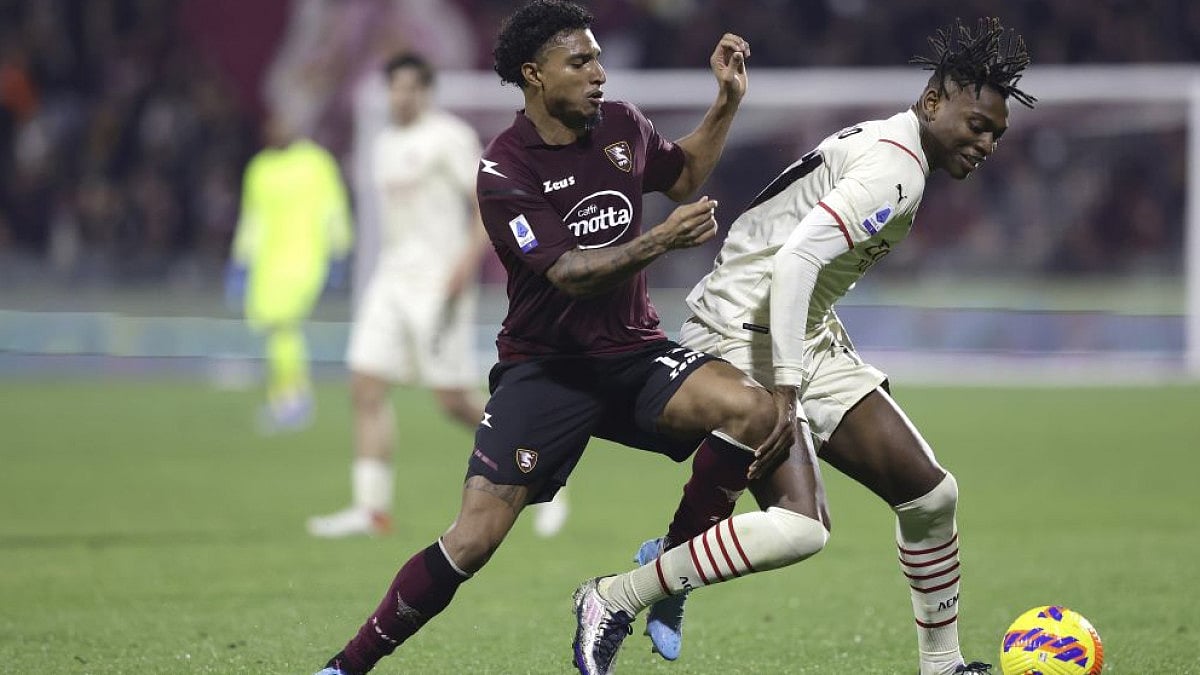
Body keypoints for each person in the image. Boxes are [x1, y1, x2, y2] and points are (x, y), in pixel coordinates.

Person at [313, 2, 795, 674]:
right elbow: (568, 272)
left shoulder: (622, 125)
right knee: (472, 540)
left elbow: (682, 174)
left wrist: (726, 101)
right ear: (536, 75)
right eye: (582, 61)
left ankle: (667, 576)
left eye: (598, 58)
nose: (600, 72)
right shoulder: (505, 167)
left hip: (633, 353)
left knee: (755, 408)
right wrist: (659, 238)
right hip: (547, 371)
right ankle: (347, 664)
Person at [573, 17, 1036, 675]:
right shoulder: (894, 170)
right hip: (741, 331)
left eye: (996, 133)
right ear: (933, 101)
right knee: (801, 528)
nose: (985, 142)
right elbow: (794, 262)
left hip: (799, 330)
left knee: (930, 494)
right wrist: (787, 389)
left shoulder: (895, 150)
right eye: (977, 124)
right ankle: (613, 597)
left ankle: (943, 663)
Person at [304, 52, 570, 539]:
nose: (400, 97)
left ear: (425, 91)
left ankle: (542, 468)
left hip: (437, 285)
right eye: (393, 88)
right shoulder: (382, 142)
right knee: (365, 386)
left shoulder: (447, 138)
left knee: (451, 400)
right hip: (390, 281)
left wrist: (464, 266)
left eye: (408, 88)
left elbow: (483, 205)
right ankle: (371, 508)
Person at [227, 112, 353, 432]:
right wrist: (241, 262)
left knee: (283, 325)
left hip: (305, 259)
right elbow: (253, 220)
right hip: (267, 264)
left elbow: (333, 208)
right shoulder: (260, 169)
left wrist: (339, 251)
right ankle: (285, 396)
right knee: (274, 330)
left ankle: (294, 400)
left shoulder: (315, 163)